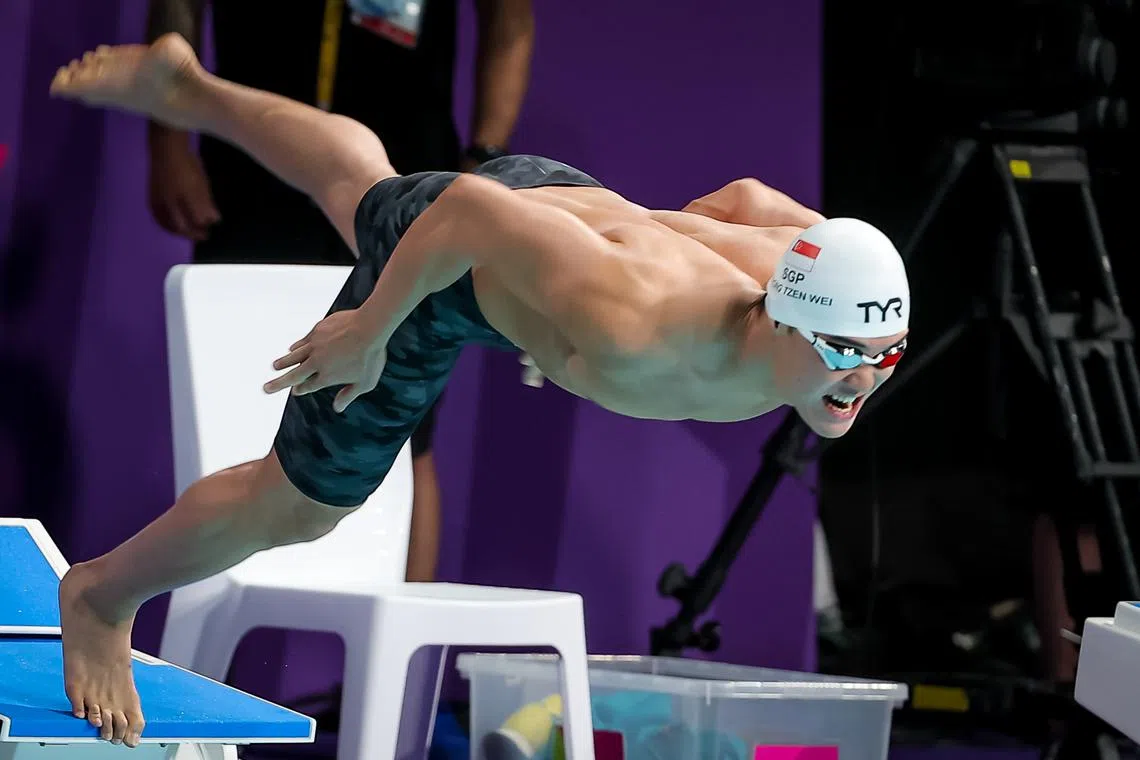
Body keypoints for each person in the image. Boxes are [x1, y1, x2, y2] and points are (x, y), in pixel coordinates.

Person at [49, 33, 910, 747]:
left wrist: (601, 270)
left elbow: (745, 198)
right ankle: (100, 595)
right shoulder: (637, 321)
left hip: (555, 227)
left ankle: (184, 84)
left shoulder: (810, 268)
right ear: (789, 323)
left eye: (889, 354)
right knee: (301, 505)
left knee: (358, 187)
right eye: (846, 353)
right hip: (457, 265)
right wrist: (371, 328)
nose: (864, 378)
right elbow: (464, 210)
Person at [145, 0, 535, 584]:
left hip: (406, 153)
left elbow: (511, 18)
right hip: (251, 165)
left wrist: (484, 158)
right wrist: (169, 136)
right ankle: (168, 613)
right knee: (232, 407)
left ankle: (392, 658)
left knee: (406, 432)